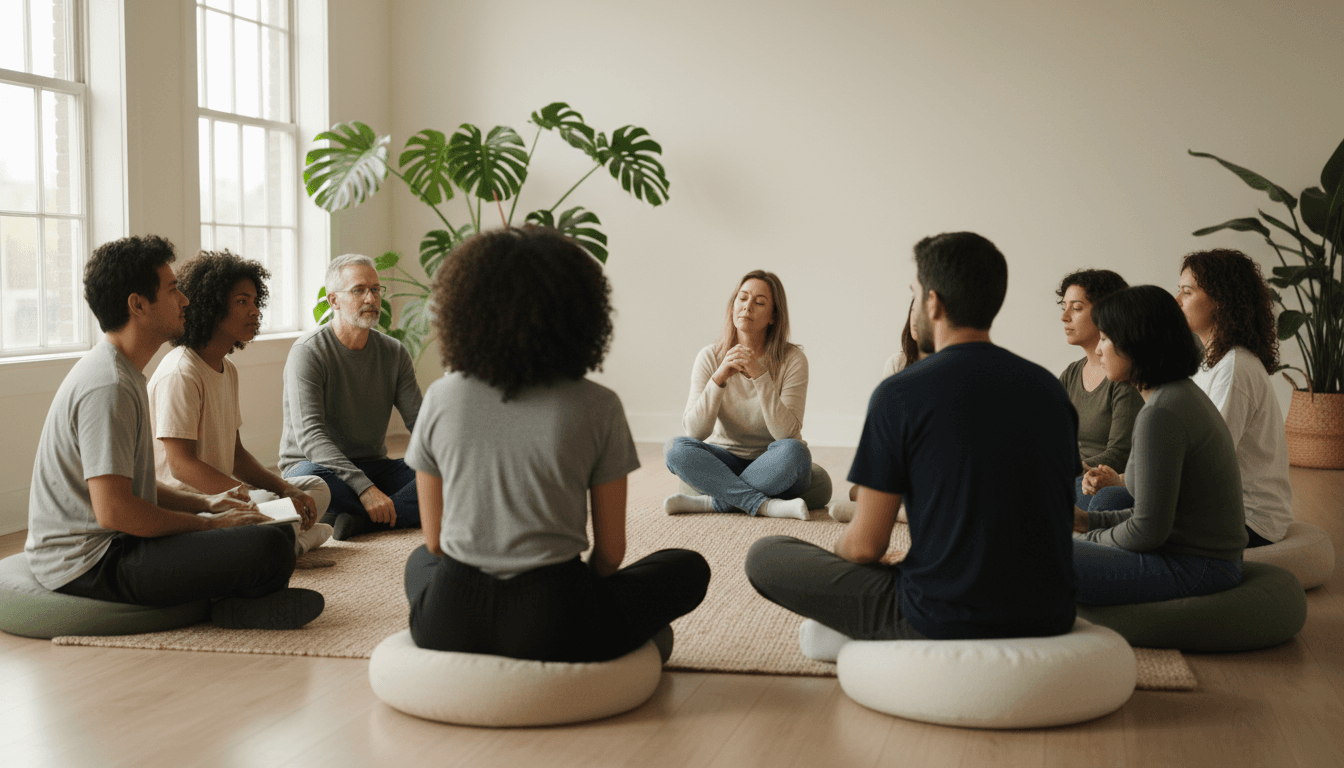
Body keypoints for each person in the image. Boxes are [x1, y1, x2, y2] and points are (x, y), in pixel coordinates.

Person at [746, 232, 1078, 648]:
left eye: (915, 294)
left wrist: (842, 559)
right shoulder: (1049, 388)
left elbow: (866, 546)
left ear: (933, 303)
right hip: (1049, 613)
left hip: (940, 617)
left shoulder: (900, 393)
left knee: (766, 554)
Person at [402, 227, 710, 662]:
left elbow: (435, 543)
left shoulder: (441, 395)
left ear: (466, 309)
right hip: (553, 622)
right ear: (580, 313)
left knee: (419, 561)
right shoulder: (598, 405)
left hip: (450, 621)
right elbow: (609, 556)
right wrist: (583, 599)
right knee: (687, 567)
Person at [24, 235, 323, 629]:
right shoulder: (109, 386)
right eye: (172, 289)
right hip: (91, 563)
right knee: (268, 544)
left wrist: (207, 504)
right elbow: (115, 510)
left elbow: (137, 489)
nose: (184, 300)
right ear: (138, 304)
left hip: (116, 544)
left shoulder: (122, 373)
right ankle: (234, 605)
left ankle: (239, 597)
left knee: (269, 532)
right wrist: (209, 524)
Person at [148, 250, 333, 556]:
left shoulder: (226, 369)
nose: (255, 311)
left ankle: (288, 541)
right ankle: (290, 543)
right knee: (278, 520)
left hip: (225, 499)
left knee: (315, 487)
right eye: (242, 301)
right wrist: (244, 497)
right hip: (193, 509)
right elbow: (181, 467)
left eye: (256, 302)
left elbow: (236, 455)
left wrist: (284, 489)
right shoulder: (181, 372)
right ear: (212, 306)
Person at [1073, 286, 1246, 604]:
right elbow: (1152, 515)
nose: (1098, 350)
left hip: (1198, 567)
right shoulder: (1171, 396)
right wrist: (1088, 522)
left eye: (1106, 339)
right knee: (1091, 512)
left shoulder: (1162, 413)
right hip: (1192, 556)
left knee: (1040, 559)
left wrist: (1090, 538)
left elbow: (1147, 531)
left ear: (1135, 344)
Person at [278, 253, 423, 541]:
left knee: (444, 474)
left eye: (375, 289)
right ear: (334, 301)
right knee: (311, 484)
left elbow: (421, 423)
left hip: (375, 464)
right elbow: (311, 437)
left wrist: (451, 459)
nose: (371, 298)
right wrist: (365, 489)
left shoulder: (394, 352)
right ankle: (387, 510)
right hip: (317, 467)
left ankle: (361, 520)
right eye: (359, 290)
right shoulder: (307, 352)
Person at [662, 270, 813, 520]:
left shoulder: (793, 359)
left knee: (795, 452)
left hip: (773, 461)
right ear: (733, 305)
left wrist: (760, 376)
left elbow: (786, 434)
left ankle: (713, 502)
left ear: (774, 316)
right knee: (674, 448)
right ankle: (764, 505)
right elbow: (695, 432)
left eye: (759, 302)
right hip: (725, 461)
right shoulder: (710, 356)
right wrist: (718, 378)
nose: (747, 307)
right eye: (742, 299)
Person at [1177, 249, 1293, 546]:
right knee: (1114, 502)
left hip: (1250, 519)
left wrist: (1133, 480)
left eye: (1187, 292)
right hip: (1216, 505)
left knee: (1119, 507)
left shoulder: (1235, 367)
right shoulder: (1207, 362)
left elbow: (1207, 460)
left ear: (1220, 301)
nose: (1177, 301)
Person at [829, 298, 927, 523]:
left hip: (928, 463)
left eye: (922, 313)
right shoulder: (898, 363)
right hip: (901, 461)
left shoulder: (950, 367)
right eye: (913, 311)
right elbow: (885, 429)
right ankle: (899, 509)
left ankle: (895, 513)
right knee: (857, 491)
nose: (915, 319)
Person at [1055, 269, 1143, 511]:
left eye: (1076, 307)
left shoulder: (1124, 374)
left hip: (1098, 480)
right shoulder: (1071, 373)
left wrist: (1063, 468)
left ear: (1107, 312)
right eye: (1064, 306)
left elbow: (1120, 453)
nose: (1064, 316)